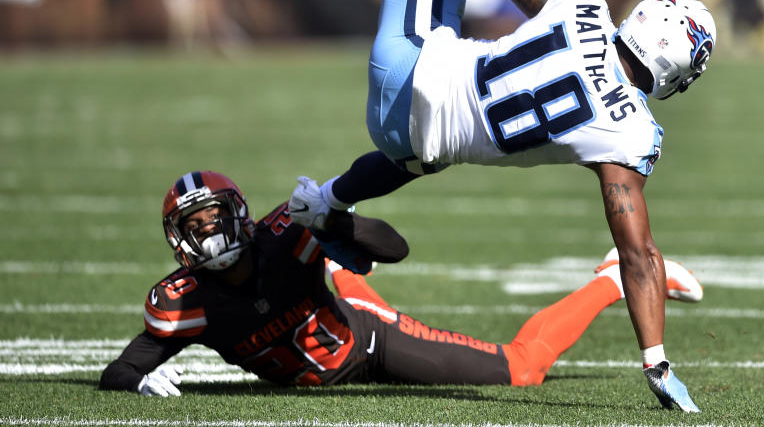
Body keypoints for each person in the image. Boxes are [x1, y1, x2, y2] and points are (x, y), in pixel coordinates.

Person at [205, 0, 715, 412]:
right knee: (438, 148)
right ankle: (331, 201)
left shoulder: (581, 6)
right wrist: (655, 362)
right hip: (406, 138)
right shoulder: (628, 138)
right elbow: (637, 253)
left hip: (411, 67)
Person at [99, 170, 700, 396]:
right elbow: (122, 368)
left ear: (240, 213)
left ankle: (609, 280)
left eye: (215, 219)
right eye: (194, 227)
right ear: (178, 241)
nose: (209, 235)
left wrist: (338, 223)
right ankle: (336, 267)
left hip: (367, 341)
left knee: (523, 369)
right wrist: (140, 379)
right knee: (337, 274)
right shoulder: (186, 303)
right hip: (327, 316)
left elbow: (395, 247)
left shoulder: (282, 235)